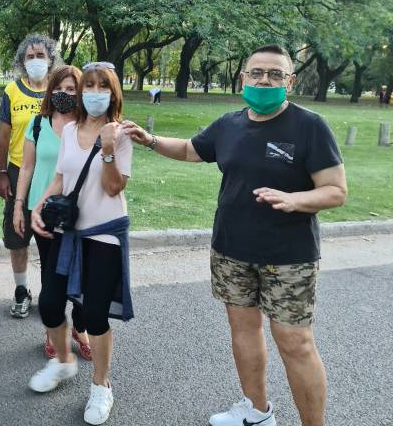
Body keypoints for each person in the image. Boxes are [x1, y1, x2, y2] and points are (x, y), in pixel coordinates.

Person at [123, 44, 346, 426]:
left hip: (289, 257)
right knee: (243, 330)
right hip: (230, 250)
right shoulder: (229, 124)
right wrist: (151, 140)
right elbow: (192, 150)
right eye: (257, 72)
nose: (265, 80)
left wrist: (295, 200)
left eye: (275, 74)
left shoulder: (310, 126)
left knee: (295, 342)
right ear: (243, 78)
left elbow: (336, 191)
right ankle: (257, 411)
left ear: (289, 82)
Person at [29, 62, 134, 426]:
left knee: (93, 314)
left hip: (104, 233)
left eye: (100, 87)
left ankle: (101, 386)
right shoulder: (70, 128)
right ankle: (62, 361)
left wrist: (107, 149)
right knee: (50, 304)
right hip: (68, 231)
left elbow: (114, 187)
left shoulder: (121, 134)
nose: (92, 93)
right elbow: (60, 178)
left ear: (112, 93)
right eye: (87, 86)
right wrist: (38, 206)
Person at [13, 65, 92, 361]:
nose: (65, 94)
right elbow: (27, 167)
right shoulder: (38, 123)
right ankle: (52, 328)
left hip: (80, 212)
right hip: (43, 211)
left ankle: (79, 327)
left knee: (83, 275)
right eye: (59, 88)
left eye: (72, 89)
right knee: (51, 274)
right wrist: (20, 206)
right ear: (50, 90)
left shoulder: (87, 124)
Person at [0, 33, 61, 318]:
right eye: (30, 57)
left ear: (51, 60)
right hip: (18, 169)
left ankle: (52, 294)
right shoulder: (12, 90)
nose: (35, 61)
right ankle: (21, 290)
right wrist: (1, 173)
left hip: (52, 172)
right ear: (23, 62)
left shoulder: (60, 90)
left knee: (51, 235)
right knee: (18, 235)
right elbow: (3, 135)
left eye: (41, 56)